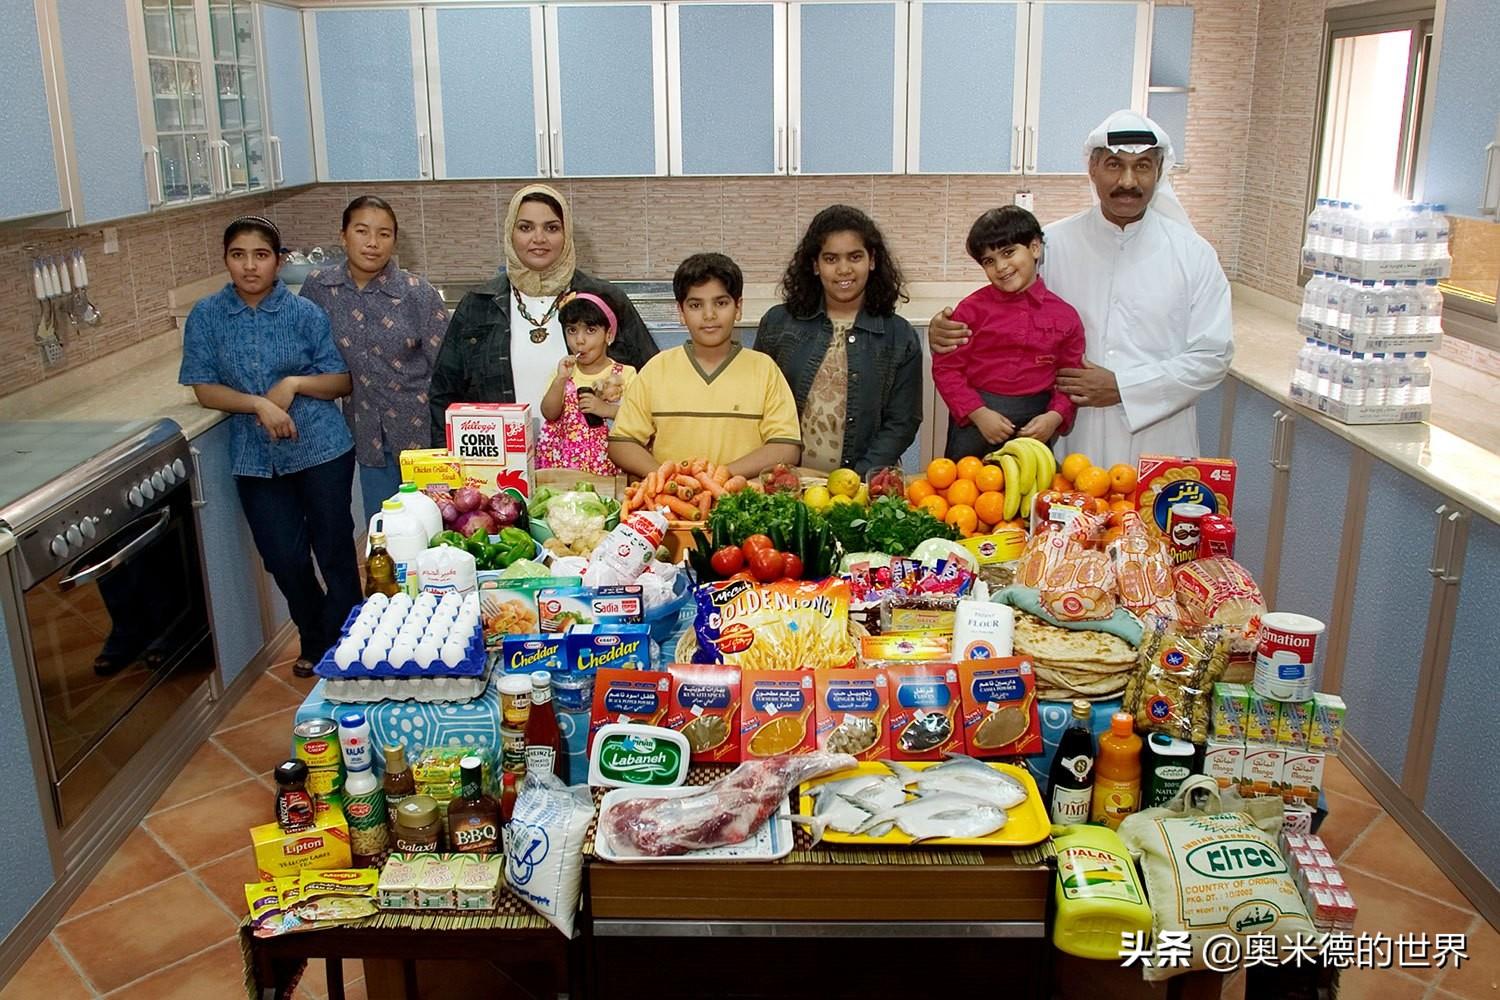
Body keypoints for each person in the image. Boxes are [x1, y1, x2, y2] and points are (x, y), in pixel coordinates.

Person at [926, 111, 1233, 465]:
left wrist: (1124, 388)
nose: (1128, 181)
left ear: (1160, 172)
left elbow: (1213, 356)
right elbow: (1000, 308)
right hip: (1068, 433)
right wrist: (944, 329)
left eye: (1143, 166)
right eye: (1115, 165)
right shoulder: (1053, 244)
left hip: (1158, 435)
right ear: (1093, 169)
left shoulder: (1194, 255)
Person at [179, 217, 360, 676]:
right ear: (226, 260)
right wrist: (259, 403)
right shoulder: (207, 316)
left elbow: (340, 380)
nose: (249, 266)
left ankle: (348, 642)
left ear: (278, 262)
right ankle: (319, 632)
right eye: (238, 255)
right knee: (284, 557)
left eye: (260, 256)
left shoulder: (305, 313)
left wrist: (294, 384)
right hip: (256, 458)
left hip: (321, 448)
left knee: (335, 551)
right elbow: (203, 386)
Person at [427, 184, 658, 444]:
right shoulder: (478, 305)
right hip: (499, 469)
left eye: (552, 228)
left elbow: (654, 382)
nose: (539, 238)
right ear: (510, 234)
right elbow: (443, 396)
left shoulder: (605, 299)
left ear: (566, 233)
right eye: (525, 227)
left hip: (594, 467)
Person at [299, 195, 449, 524]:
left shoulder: (417, 293)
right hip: (366, 434)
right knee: (384, 532)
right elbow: (303, 352)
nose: (372, 243)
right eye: (362, 231)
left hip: (424, 438)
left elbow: (447, 372)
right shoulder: (320, 288)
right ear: (343, 236)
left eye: (384, 234)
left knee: (434, 531)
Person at [753, 204, 922, 475]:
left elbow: (902, 423)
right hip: (785, 483)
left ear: (872, 260)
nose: (844, 269)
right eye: (831, 259)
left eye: (855, 257)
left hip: (862, 487)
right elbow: (758, 405)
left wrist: (857, 480)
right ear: (815, 265)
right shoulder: (778, 324)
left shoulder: (899, 336)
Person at [608, 253, 802, 478]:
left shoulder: (764, 370)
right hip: (671, 504)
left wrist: (719, 477)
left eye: (721, 303)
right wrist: (668, 479)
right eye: (695, 305)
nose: (709, 315)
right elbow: (622, 443)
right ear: (681, 312)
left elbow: (786, 449)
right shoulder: (656, 370)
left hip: (741, 503)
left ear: (738, 308)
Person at [931, 206, 1085, 460]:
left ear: (1035, 248)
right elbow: (947, 369)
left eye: (1008, 252)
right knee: (963, 493)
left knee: (1029, 494)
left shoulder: (1066, 316)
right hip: (976, 422)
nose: (1001, 267)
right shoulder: (970, 310)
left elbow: (1070, 378)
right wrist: (978, 413)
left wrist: (1054, 417)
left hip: (1035, 426)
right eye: (989, 261)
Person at [535, 292, 636, 475]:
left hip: (608, 470)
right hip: (562, 469)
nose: (579, 340)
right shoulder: (563, 373)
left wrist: (606, 409)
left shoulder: (626, 374)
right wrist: (560, 380)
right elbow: (549, 413)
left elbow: (637, 418)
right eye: (572, 330)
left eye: (590, 330)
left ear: (609, 335)